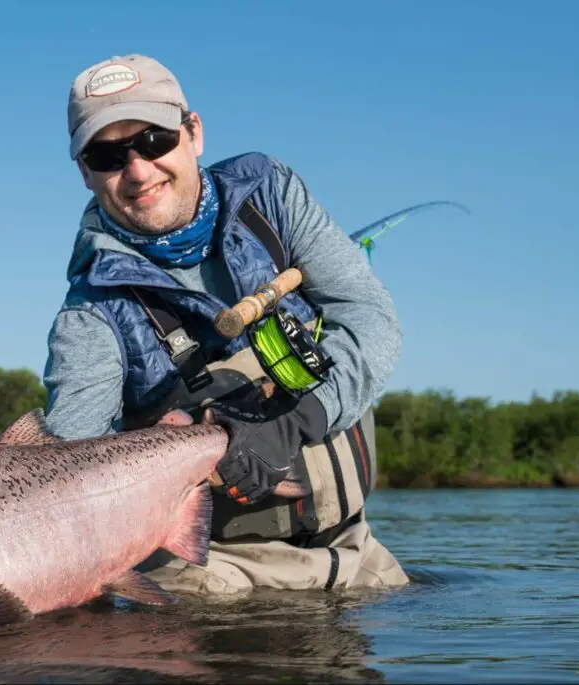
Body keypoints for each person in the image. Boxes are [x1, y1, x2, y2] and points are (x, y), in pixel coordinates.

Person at [42, 53, 410, 595]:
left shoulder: (271, 197)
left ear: (193, 133)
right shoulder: (89, 312)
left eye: (153, 140)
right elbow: (69, 481)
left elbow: (372, 321)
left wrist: (294, 423)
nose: (138, 171)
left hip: (355, 550)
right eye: (107, 155)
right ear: (84, 172)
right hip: (213, 573)